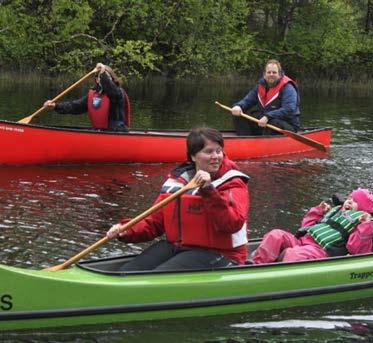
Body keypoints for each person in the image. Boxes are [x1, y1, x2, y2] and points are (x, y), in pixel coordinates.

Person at [106, 127, 250, 271]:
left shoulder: (233, 182)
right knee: (128, 271)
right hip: (179, 247)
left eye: (218, 151)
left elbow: (232, 223)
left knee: (157, 276)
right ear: (193, 156)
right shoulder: (176, 182)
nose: (216, 156)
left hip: (221, 254)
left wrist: (208, 189)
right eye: (208, 152)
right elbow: (154, 222)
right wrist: (126, 230)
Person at [251, 188, 373, 264]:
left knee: (293, 254)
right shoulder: (335, 211)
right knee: (275, 234)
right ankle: (257, 264)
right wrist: (317, 211)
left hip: (320, 251)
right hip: (301, 241)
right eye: (349, 198)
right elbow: (306, 227)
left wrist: (365, 227)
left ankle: (273, 274)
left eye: (355, 201)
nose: (349, 201)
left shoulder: (362, 222)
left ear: (362, 209)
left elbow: (357, 250)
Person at [43, 63, 130, 131]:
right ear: (97, 80)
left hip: (116, 132)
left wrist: (103, 72)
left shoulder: (118, 93)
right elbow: (75, 107)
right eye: (99, 77)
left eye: (107, 77)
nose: (102, 79)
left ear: (111, 78)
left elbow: (111, 89)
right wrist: (55, 106)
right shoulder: (93, 95)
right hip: (99, 132)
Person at [230, 59, 300, 136]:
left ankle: (264, 144)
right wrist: (238, 106)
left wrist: (268, 116)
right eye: (269, 72)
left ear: (280, 74)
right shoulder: (260, 86)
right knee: (238, 115)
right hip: (264, 123)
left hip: (287, 126)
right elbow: (247, 101)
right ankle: (245, 141)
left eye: (274, 72)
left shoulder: (288, 88)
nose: (271, 74)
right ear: (264, 74)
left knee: (272, 122)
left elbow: (289, 109)